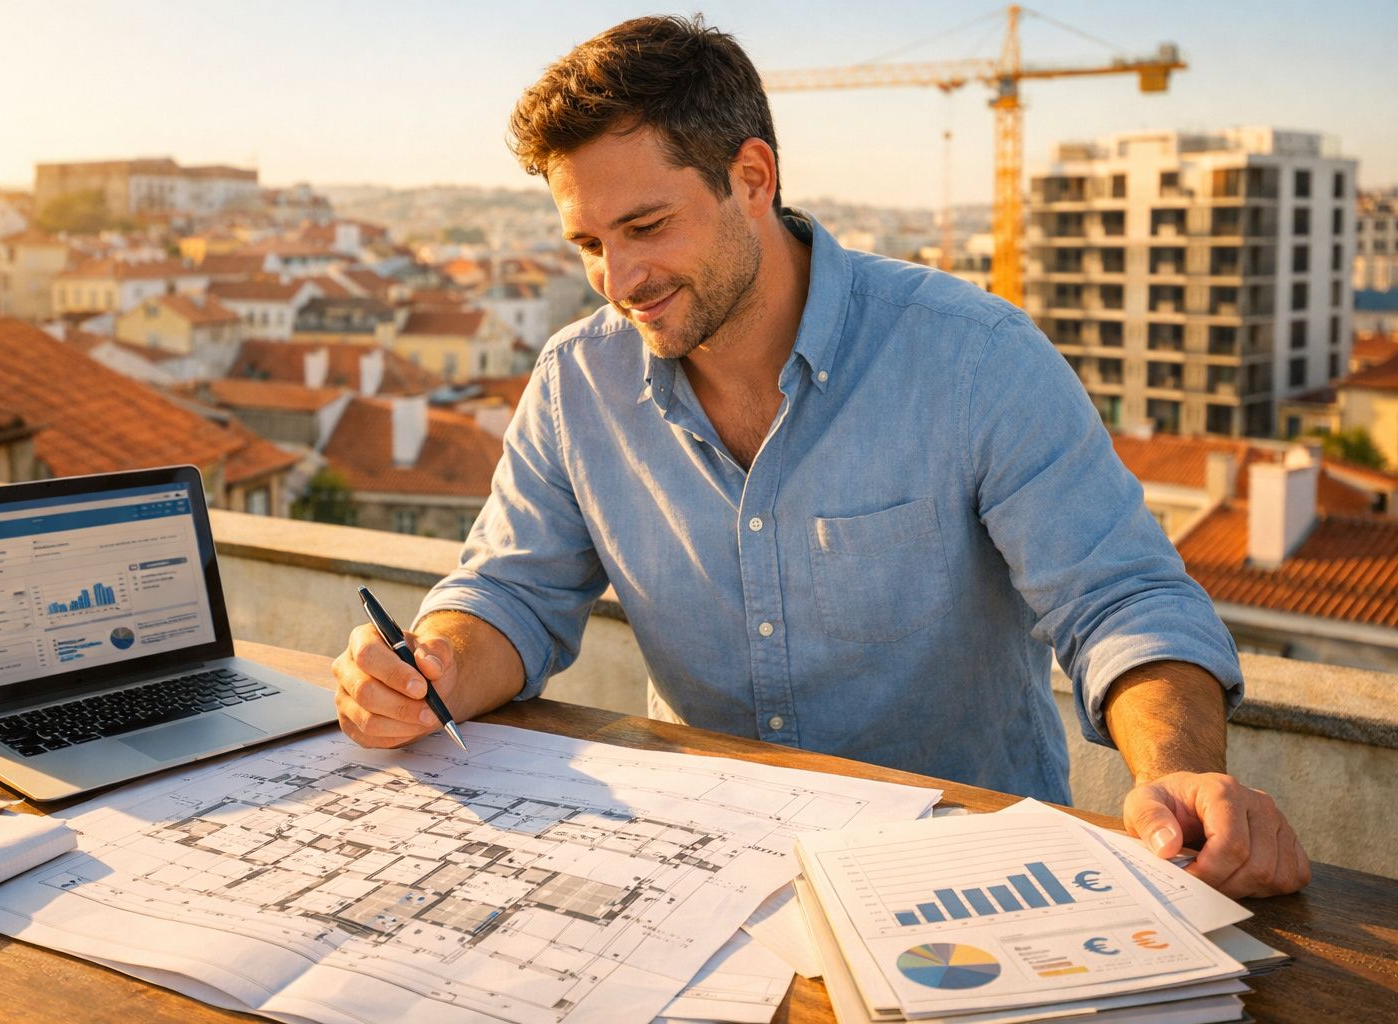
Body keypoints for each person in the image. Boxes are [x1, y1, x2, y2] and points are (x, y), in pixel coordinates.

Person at [334, 14, 1309, 899]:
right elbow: (510, 593)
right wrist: (432, 667)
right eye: (587, 242)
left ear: (753, 178)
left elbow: (1123, 601)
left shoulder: (975, 357)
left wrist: (1179, 772)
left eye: (645, 227)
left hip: (968, 874)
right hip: (706, 868)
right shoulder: (575, 382)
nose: (617, 279)